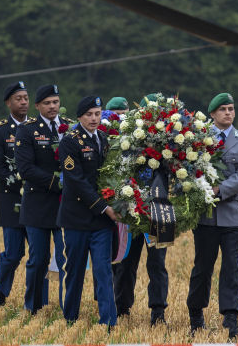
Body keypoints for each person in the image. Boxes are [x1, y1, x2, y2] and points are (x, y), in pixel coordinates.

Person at [187, 92, 238, 340]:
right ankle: (195, 315)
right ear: (213, 114)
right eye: (223, 109)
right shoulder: (197, 137)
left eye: (231, 108)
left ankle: (230, 317)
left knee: (230, 268)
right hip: (206, 217)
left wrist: (218, 190)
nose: (228, 112)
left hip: (233, 217)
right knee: (202, 267)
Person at [57, 95, 118, 327]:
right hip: (77, 218)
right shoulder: (70, 141)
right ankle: (70, 317)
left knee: (103, 271)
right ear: (80, 116)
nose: (94, 119)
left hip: (101, 222)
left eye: (97, 113)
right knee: (74, 270)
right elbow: (76, 181)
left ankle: (109, 322)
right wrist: (104, 207)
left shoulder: (103, 138)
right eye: (89, 114)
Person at [112, 94, 169, 325]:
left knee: (158, 264)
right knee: (126, 261)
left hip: (162, 209)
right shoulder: (129, 139)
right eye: (148, 115)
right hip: (131, 207)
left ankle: (158, 312)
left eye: (156, 115)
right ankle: (122, 308)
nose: (152, 120)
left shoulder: (173, 139)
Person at [15, 84, 67, 313]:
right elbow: (25, 169)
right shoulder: (27, 130)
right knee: (38, 259)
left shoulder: (68, 127)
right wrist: (59, 184)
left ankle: (67, 306)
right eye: (47, 103)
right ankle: (33, 305)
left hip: (66, 206)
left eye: (55, 102)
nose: (52, 106)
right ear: (37, 106)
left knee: (68, 258)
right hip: (37, 205)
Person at [0, 81, 30, 307]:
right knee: (13, 254)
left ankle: (35, 300)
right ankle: (1, 292)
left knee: (39, 255)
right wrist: (20, 184)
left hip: (36, 201)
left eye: (25, 98)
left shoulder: (35, 127)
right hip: (11, 200)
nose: (23, 102)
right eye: (18, 98)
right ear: (8, 103)